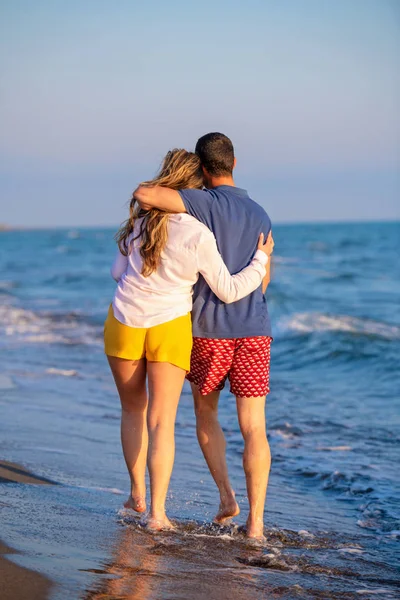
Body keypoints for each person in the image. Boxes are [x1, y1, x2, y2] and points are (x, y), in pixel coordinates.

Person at [105, 148, 274, 531]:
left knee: (155, 412)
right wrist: (261, 260)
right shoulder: (254, 215)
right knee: (249, 427)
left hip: (180, 328)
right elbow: (256, 285)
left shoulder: (154, 221)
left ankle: (161, 498)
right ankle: (255, 524)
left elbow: (119, 270)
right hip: (241, 328)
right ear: (235, 163)